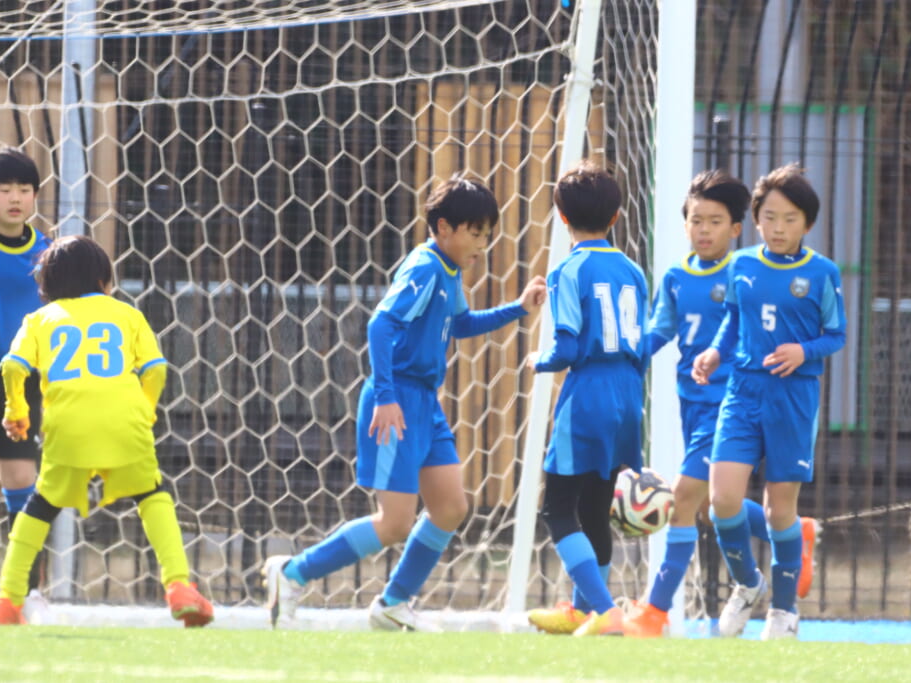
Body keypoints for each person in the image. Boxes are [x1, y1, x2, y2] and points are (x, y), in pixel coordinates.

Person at [262, 174, 547, 631]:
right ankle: (293, 573)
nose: (483, 244)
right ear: (444, 228)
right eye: (476, 233)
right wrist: (387, 396)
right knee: (395, 523)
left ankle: (393, 603)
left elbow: (460, 323)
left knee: (451, 508)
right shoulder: (425, 268)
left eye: (487, 235)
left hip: (424, 405)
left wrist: (518, 308)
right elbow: (380, 324)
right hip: (396, 400)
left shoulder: (448, 271)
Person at [622, 170, 821, 638]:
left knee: (683, 499)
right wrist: (624, 360)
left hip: (730, 402)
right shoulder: (675, 277)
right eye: (696, 221)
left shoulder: (746, 273)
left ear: (736, 229)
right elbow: (659, 331)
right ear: (685, 224)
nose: (704, 230)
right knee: (713, 505)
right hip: (691, 402)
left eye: (715, 222)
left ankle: (655, 611)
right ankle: (788, 538)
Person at [0, 235, 214, 627]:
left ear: (47, 286)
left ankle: (8, 600)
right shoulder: (126, 313)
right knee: (152, 495)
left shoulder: (40, 319)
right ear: (103, 281)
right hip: (125, 422)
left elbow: (12, 365)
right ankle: (179, 586)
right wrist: (146, 410)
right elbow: (156, 368)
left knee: (41, 505)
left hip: (67, 427)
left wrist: (17, 409)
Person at [691, 163, 846, 640]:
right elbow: (733, 320)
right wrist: (715, 351)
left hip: (793, 397)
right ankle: (746, 584)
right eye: (770, 217)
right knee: (721, 500)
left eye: (790, 219)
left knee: (780, 510)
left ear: (808, 223)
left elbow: (836, 334)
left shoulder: (822, 272)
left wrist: (804, 351)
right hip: (743, 391)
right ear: (756, 219)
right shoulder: (741, 264)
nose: (778, 228)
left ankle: (784, 610)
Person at [524, 160, 649, 637]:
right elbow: (641, 345)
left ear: (561, 216)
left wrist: (539, 360)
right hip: (628, 391)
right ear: (615, 217)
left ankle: (605, 610)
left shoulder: (568, 270)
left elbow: (569, 348)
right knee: (595, 506)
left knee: (557, 508)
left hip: (589, 392)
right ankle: (581, 611)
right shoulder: (633, 270)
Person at [0, 146, 52, 622]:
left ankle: (25, 594)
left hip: (19, 383)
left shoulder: (48, 254)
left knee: (23, 482)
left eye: (24, 190)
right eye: (4, 189)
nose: (14, 198)